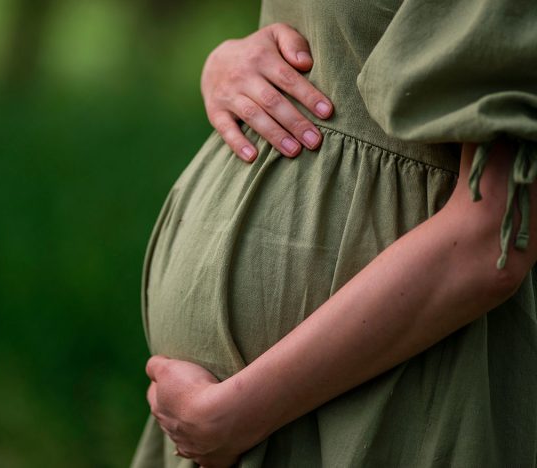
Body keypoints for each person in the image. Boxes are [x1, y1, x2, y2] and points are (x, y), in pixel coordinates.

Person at [132, 0, 537, 466]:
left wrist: (237, 413)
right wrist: (226, 62)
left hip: (390, 397)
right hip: (234, 421)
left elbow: (494, 236)